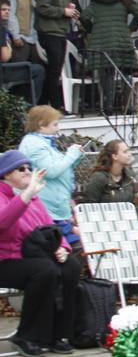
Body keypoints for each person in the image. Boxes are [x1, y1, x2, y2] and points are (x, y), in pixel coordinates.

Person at [0, 150, 81, 357]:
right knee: (44, 270)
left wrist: (63, 247)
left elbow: (49, 227)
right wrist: (25, 196)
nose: (27, 172)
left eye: (29, 168)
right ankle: (27, 336)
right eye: (21, 169)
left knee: (70, 265)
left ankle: (59, 334)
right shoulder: (7, 195)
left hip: (33, 257)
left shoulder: (32, 196)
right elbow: (3, 223)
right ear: (6, 174)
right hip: (6, 260)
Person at [18, 105, 85, 249]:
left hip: (57, 207)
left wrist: (75, 158)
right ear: (41, 124)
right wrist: (71, 154)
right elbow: (52, 171)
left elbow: (61, 167)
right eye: (55, 124)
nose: (58, 128)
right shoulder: (34, 145)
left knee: (76, 247)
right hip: (48, 208)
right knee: (73, 247)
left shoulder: (43, 141)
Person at [81, 0, 138, 114]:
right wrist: (131, 28)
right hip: (122, 41)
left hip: (103, 43)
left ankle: (108, 107)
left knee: (107, 73)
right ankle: (128, 107)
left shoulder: (96, 2)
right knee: (126, 72)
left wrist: (92, 29)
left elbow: (84, 16)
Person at [80, 140, 138, 248]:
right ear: (115, 156)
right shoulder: (99, 178)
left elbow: (131, 203)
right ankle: (136, 264)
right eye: (125, 152)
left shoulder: (128, 176)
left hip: (130, 222)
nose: (129, 154)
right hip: (108, 226)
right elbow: (88, 207)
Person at [33, 0, 79, 110]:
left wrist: (72, 13)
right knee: (54, 69)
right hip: (49, 31)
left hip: (61, 31)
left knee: (56, 69)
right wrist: (63, 11)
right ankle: (56, 105)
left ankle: (42, 104)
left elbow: (65, 8)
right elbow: (42, 7)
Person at [1, 0, 45, 102]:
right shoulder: (1, 29)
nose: (7, 12)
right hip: (2, 71)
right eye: (3, 10)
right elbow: (5, 57)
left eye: (8, 10)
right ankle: (29, 108)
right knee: (38, 70)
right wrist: (9, 48)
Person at [7, 0, 42, 64]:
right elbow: (11, 15)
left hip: (37, 37)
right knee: (19, 67)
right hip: (22, 37)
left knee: (38, 68)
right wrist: (15, 36)